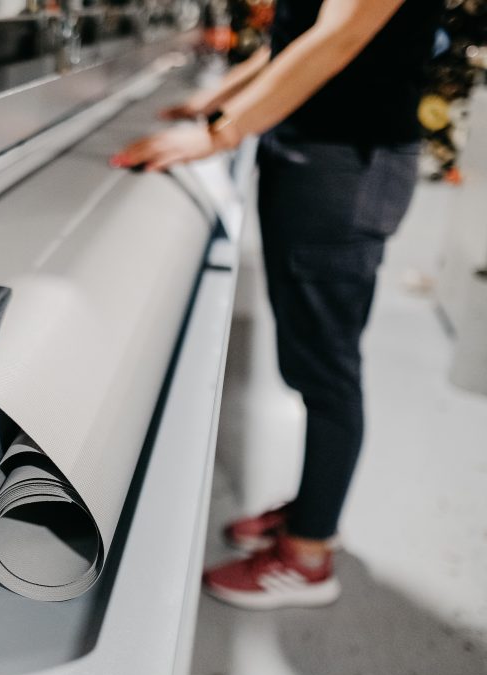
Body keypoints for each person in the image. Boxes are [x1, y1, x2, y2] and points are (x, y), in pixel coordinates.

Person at [111, 0, 441, 609]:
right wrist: (217, 104)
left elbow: (340, 38)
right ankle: (312, 510)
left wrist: (219, 131)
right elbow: (293, 41)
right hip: (314, 153)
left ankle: (308, 555)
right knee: (309, 354)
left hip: (344, 162)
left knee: (327, 368)